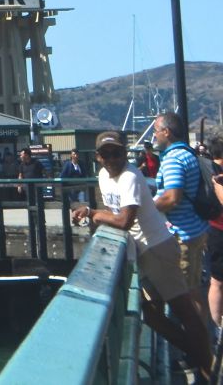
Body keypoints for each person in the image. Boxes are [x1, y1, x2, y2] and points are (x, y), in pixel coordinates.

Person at [73, 131, 213, 381]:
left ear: (125, 154)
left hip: (157, 248)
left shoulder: (130, 177)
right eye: (107, 154)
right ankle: (196, 354)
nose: (113, 158)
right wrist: (95, 213)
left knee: (185, 313)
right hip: (141, 252)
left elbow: (124, 221)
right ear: (98, 157)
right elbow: (113, 212)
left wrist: (93, 213)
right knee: (146, 312)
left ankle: (206, 368)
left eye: (117, 153)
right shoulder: (104, 176)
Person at [152, 111, 209, 301]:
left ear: (166, 132)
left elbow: (172, 198)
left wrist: (145, 210)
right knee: (193, 290)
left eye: (156, 131)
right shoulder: (188, 153)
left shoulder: (173, 159)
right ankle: (202, 330)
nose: (154, 136)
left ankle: (194, 331)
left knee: (184, 296)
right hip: (195, 229)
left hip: (182, 235)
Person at [206, 136, 223, 329]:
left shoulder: (207, 170)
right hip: (218, 230)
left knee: (217, 282)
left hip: (215, 230)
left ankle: (217, 327)